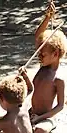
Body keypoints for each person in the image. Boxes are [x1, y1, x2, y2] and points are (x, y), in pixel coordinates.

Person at [24, 2, 66, 132]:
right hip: (32, 113)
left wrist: (40, 118)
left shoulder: (58, 78)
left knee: (40, 130)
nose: (39, 57)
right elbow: (38, 37)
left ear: (55, 54)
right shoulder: (44, 67)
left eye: (43, 55)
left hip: (47, 118)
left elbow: (60, 106)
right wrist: (48, 18)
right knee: (5, 118)